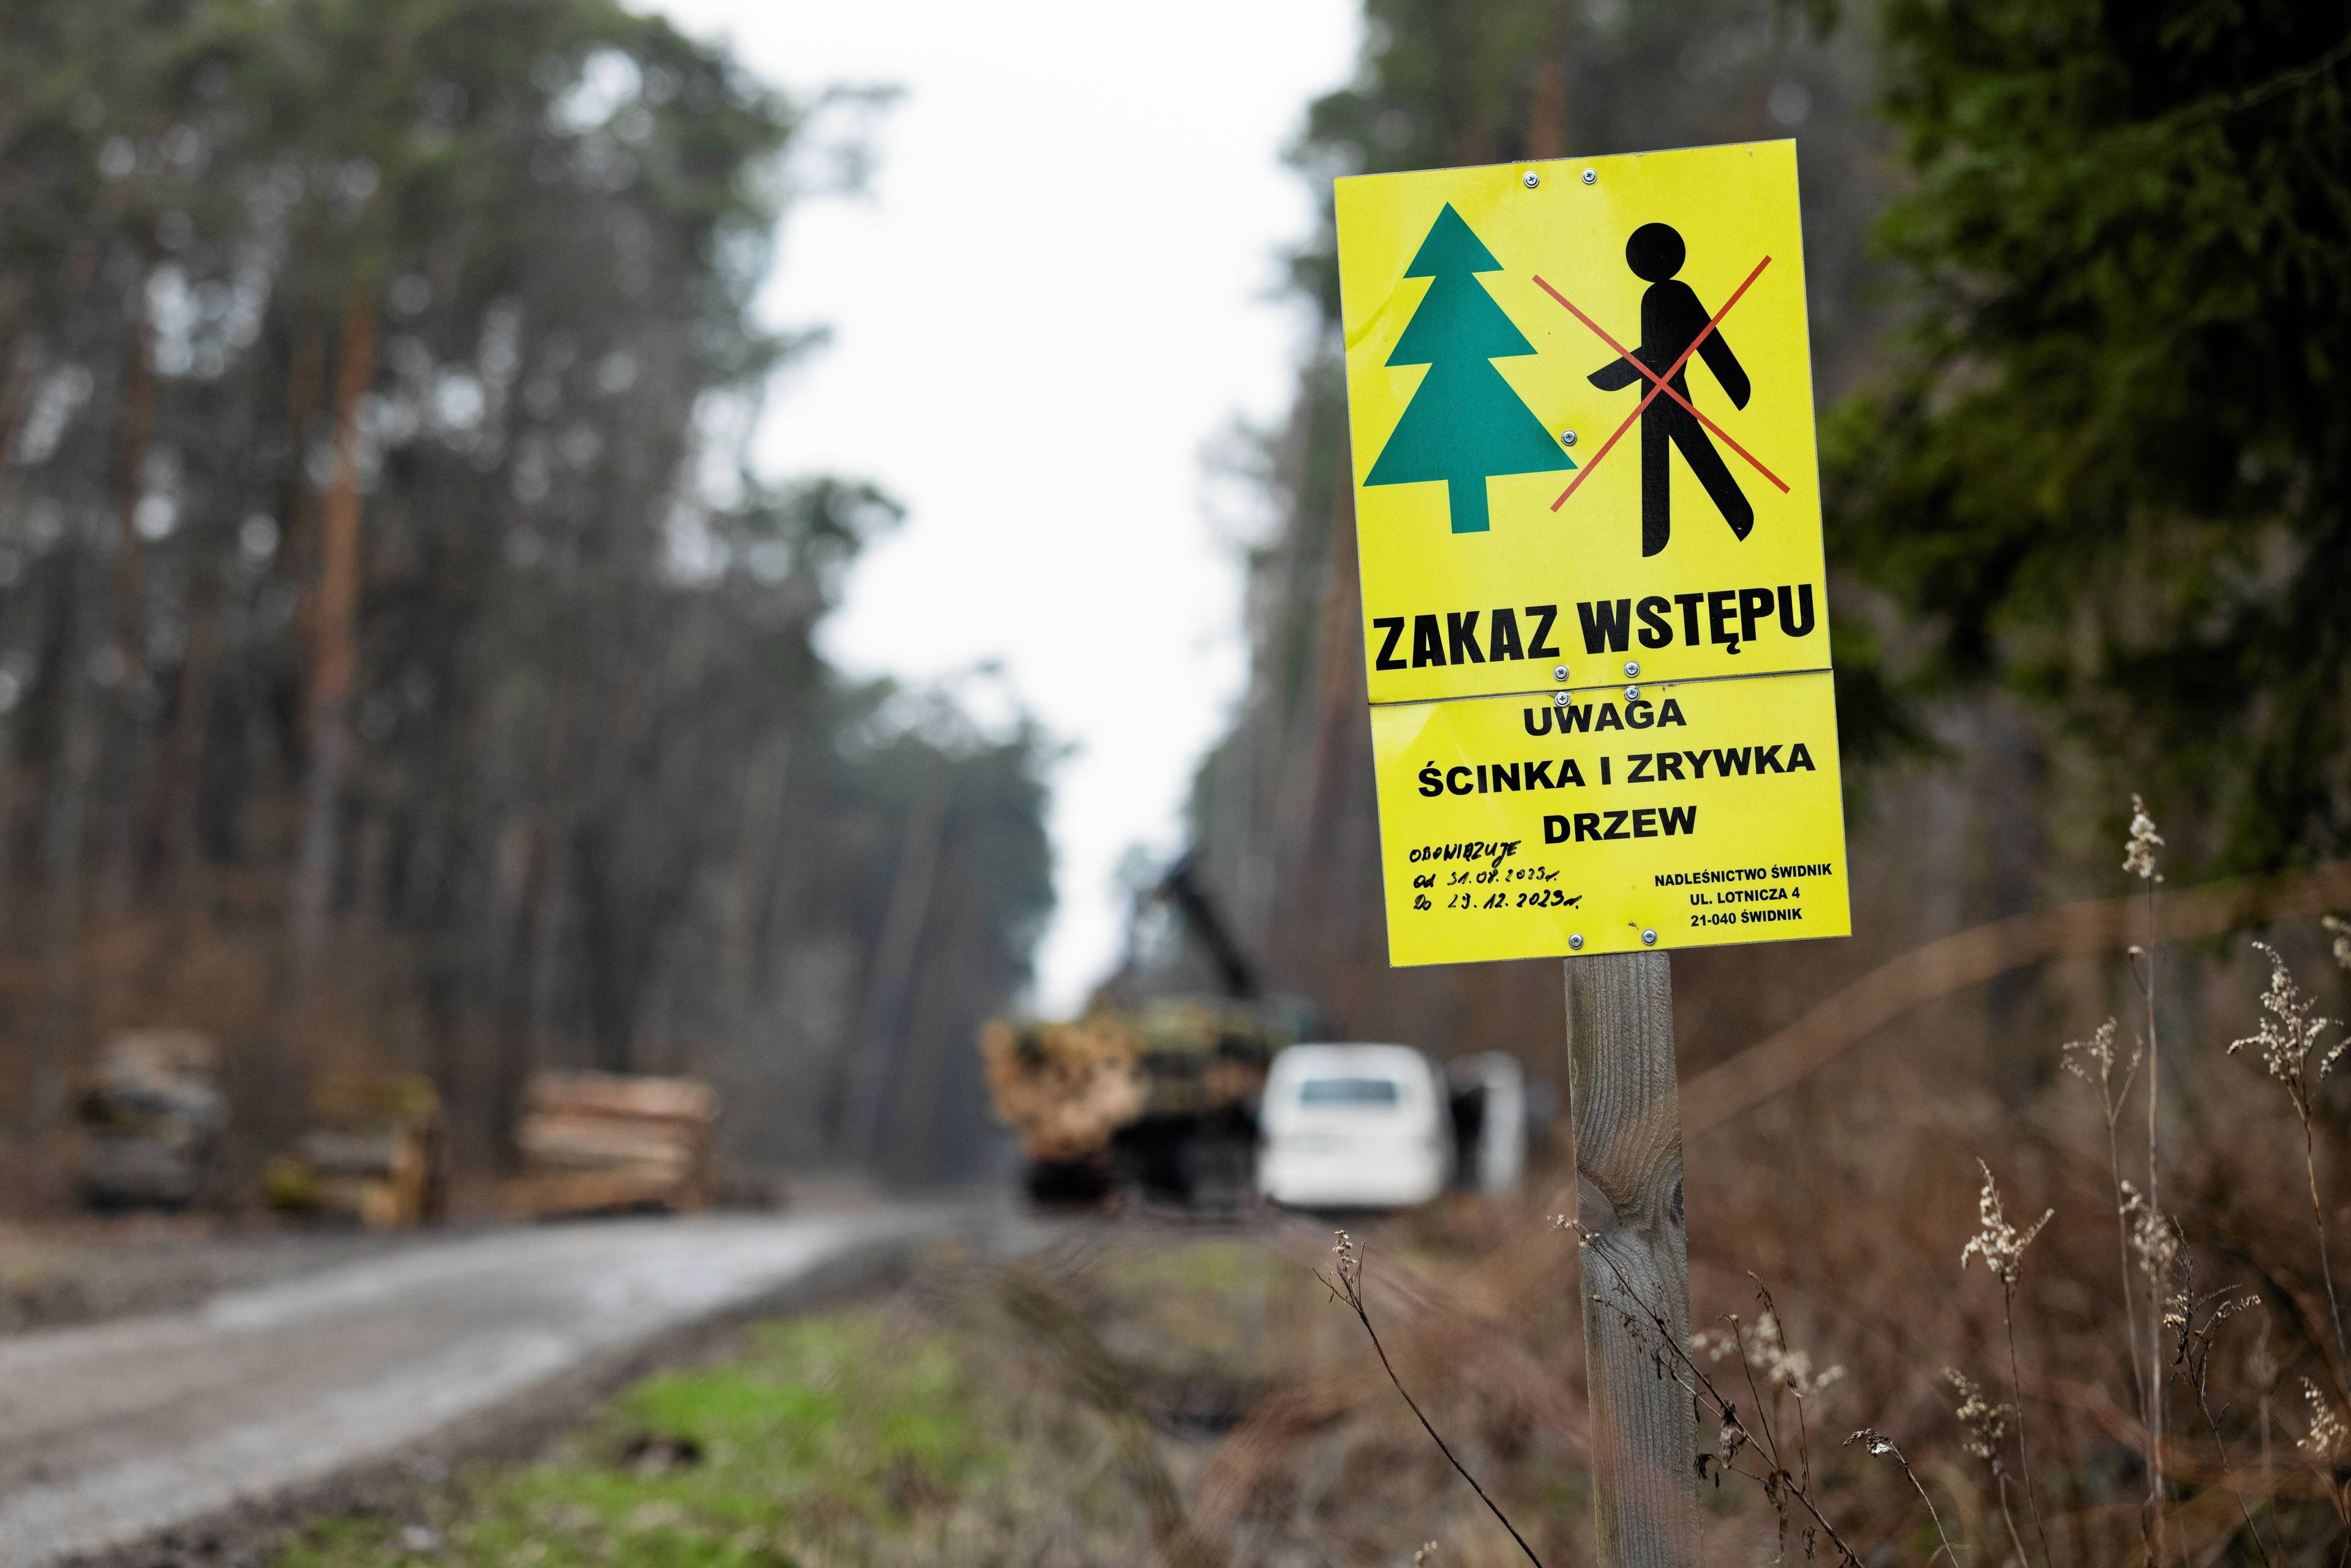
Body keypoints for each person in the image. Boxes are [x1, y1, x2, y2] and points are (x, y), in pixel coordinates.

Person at [1587, 222, 1752, 557]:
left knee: (1682, 452)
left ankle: (1735, 518)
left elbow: (1707, 340)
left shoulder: (1678, 295)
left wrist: (1736, 385)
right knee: (1666, 455)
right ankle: (1658, 538)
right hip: (1656, 389)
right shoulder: (1652, 299)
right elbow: (1664, 346)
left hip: (1667, 389)